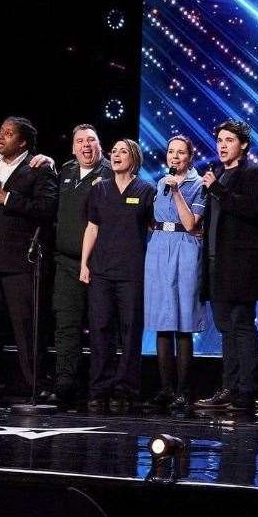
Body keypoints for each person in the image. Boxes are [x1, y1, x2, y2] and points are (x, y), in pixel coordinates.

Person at [0, 117, 59, 397]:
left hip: (20, 262)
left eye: (8, 133)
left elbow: (48, 208)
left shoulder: (38, 168)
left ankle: (35, 385)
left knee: (26, 328)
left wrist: (8, 199)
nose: (1, 137)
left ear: (23, 141)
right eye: (0, 131)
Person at [194, 120, 258, 412]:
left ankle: (245, 390)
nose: (222, 145)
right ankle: (229, 387)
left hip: (241, 267)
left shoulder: (252, 174)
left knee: (241, 326)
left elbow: (251, 209)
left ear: (244, 144)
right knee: (226, 328)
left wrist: (217, 191)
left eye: (229, 140)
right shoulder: (220, 175)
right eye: (220, 140)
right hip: (216, 264)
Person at [79, 139, 155, 413]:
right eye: (114, 151)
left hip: (132, 272)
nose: (116, 155)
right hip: (101, 271)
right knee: (100, 330)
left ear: (134, 158)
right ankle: (99, 389)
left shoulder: (146, 191)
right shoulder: (99, 190)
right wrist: (84, 263)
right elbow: (92, 227)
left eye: (123, 151)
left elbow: (152, 230)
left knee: (131, 331)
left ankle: (125, 390)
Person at [52, 124, 112, 407]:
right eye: (80, 141)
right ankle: (65, 384)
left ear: (100, 146)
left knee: (101, 326)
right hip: (65, 263)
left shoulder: (111, 173)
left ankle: (101, 387)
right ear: (73, 147)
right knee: (66, 325)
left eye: (91, 140)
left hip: (100, 265)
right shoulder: (65, 171)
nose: (86, 146)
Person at [144, 135, 207, 410]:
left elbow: (191, 223)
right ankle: (165, 389)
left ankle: (184, 390)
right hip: (159, 249)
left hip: (185, 248)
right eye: (171, 152)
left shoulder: (198, 184)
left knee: (182, 323)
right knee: (162, 322)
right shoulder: (160, 182)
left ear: (190, 157)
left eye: (181, 153)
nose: (175, 157)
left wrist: (178, 192)